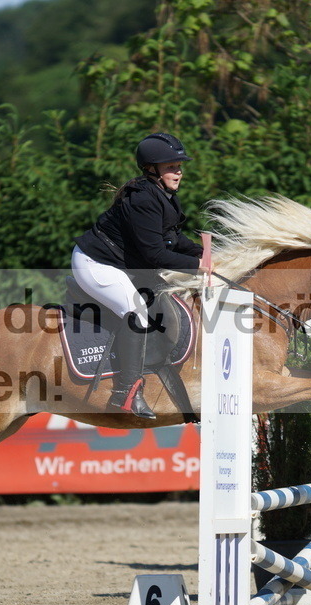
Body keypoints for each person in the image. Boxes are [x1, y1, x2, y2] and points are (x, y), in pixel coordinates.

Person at [72, 133, 206, 419]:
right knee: (135, 310)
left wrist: (205, 252)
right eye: (171, 166)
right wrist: (199, 266)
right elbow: (154, 256)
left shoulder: (163, 196)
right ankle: (127, 393)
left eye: (179, 165)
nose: (179, 171)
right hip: (96, 264)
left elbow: (172, 239)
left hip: (121, 264)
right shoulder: (144, 198)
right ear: (151, 168)